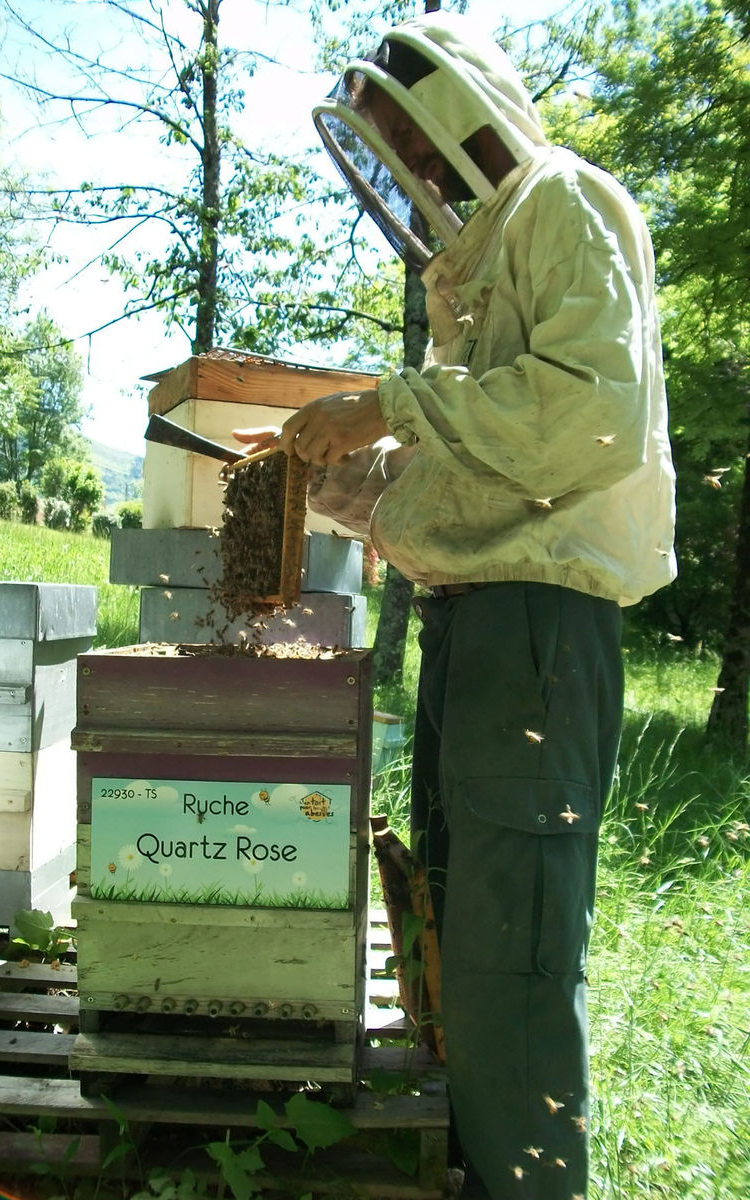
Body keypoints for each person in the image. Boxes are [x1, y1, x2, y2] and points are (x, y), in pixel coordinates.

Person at [235, 12, 676, 1199]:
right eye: (393, 153)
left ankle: (526, 1181)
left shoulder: (562, 203)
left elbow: (589, 418)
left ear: (463, 114)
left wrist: (383, 405)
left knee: (511, 944)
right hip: (475, 624)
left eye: (416, 145)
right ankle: (471, 1159)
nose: (417, 173)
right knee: (453, 905)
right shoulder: (479, 261)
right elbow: (479, 462)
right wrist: (336, 486)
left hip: (538, 629)